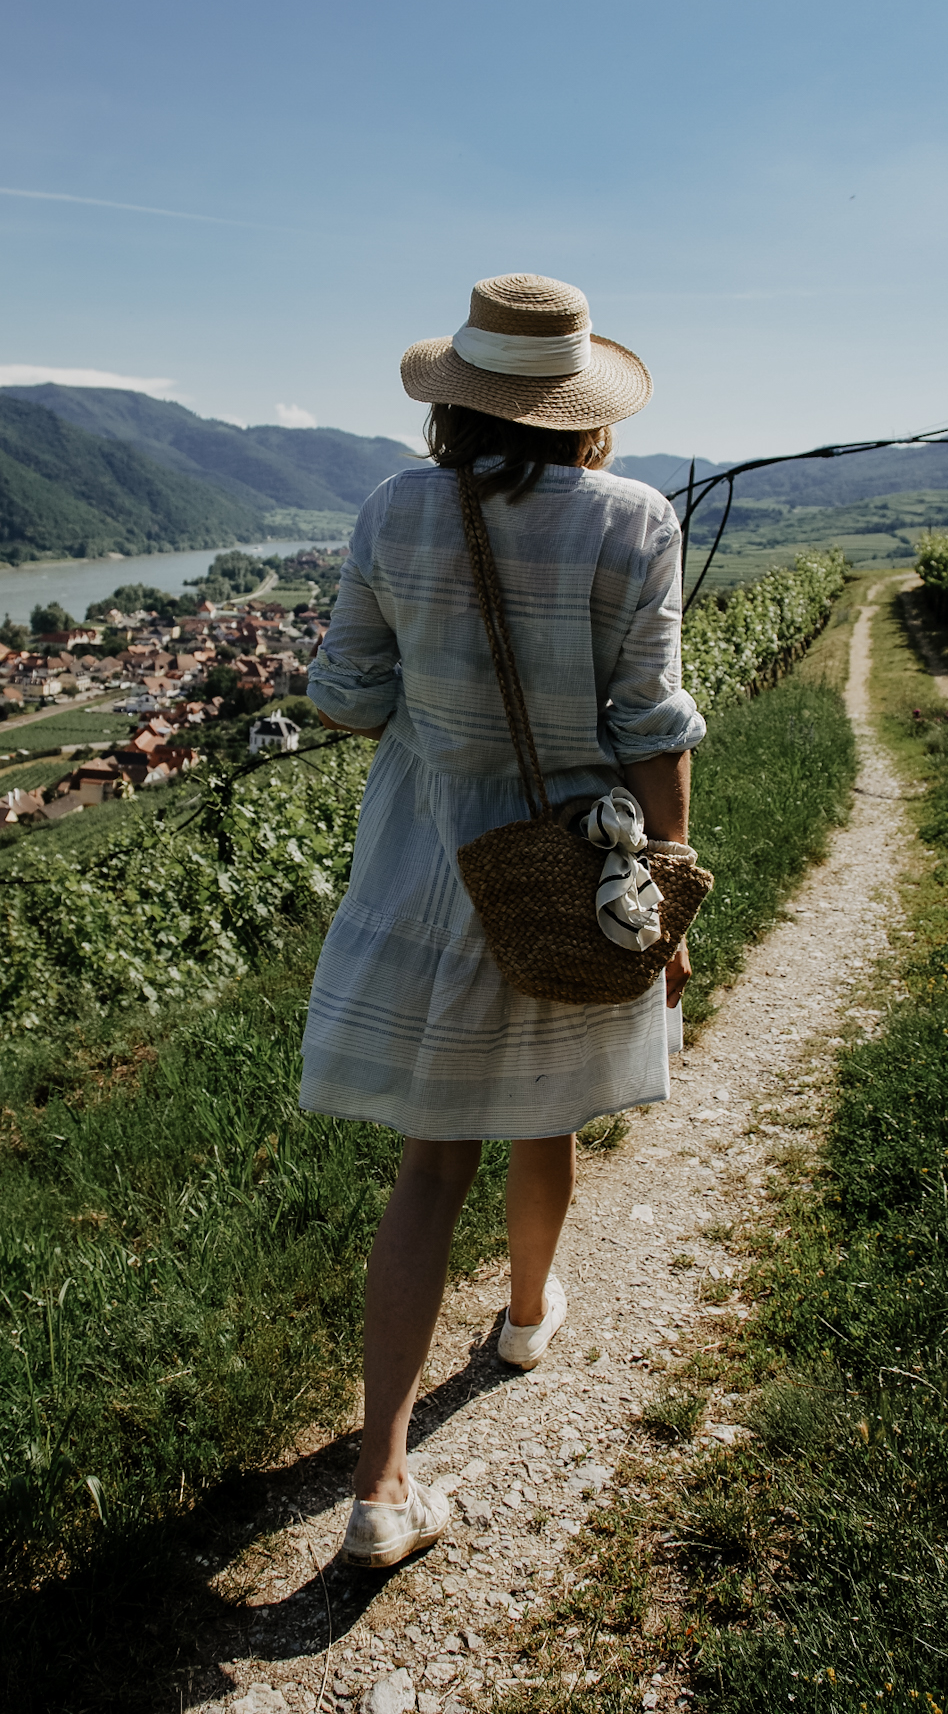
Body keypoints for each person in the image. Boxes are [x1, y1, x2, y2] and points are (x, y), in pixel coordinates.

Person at [301, 273, 707, 1569]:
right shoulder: (637, 521)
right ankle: (528, 1317)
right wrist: (671, 891)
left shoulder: (392, 513)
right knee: (547, 1108)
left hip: (431, 867)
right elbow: (655, 728)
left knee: (429, 1166)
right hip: (573, 873)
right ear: (583, 406)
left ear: (458, 401)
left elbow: (348, 700)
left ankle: (379, 1485)